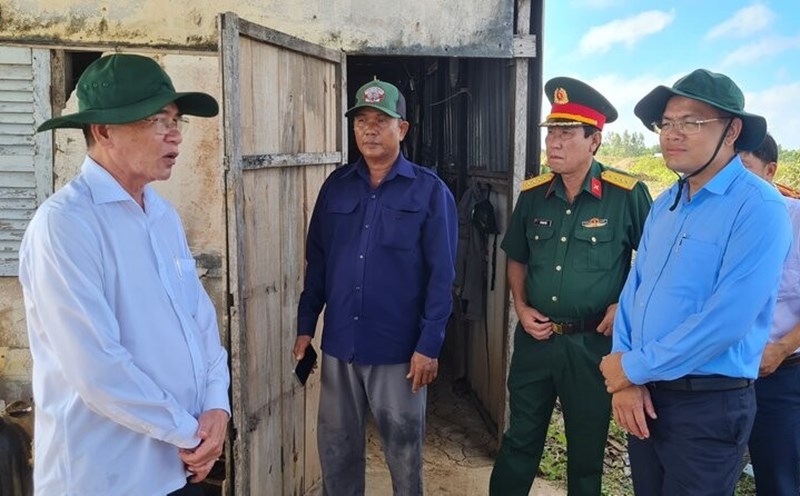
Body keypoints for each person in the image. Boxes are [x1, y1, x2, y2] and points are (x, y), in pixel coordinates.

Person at [20, 54, 230, 495]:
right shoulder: (66, 225)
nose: (175, 134)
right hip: (107, 476)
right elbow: (96, 367)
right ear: (103, 131)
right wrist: (190, 433)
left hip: (177, 467)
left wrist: (216, 407)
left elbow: (200, 323)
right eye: (158, 119)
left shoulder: (162, 216)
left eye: (177, 120)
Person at [600, 69, 792, 495]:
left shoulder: (759, 208)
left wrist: (630, 367)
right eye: (666, 123)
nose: (673, 134)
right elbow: (637, 289)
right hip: (645, 394)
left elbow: (726, 322)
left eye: (692, 122)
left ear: (732, 131)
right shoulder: (667, 201)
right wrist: (627, 377)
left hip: (707, 404)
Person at [293, 79, 457, 495]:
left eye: (380, 120)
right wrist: (306, 325)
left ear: (401, 129)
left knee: (403, 454)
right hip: (341, 347)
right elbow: (319, 262)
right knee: (337, 450)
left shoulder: (429, 191)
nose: (369, 129)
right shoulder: (336, 186)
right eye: (361, 121)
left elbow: (442, 276)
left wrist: (430, 345)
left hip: (399, 353)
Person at [489, 77, 652, 496]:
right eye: (551, 134)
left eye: (566, 134)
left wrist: (624, 305)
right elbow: (518, 256)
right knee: (519, 441)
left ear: (594, 140)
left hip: (593, 346)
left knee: (585, 454)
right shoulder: (533, 194)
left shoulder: (625, 194)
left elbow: (654, 263)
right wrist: (521, 308)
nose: (554, 144)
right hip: (536, 343)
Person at [740, 132, 800, 496]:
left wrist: (781, 349)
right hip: (720, 376)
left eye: (744, 169)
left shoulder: (797, 220)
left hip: (779, 375)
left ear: (771, 170)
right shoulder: (719, 221)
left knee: (777, 476)